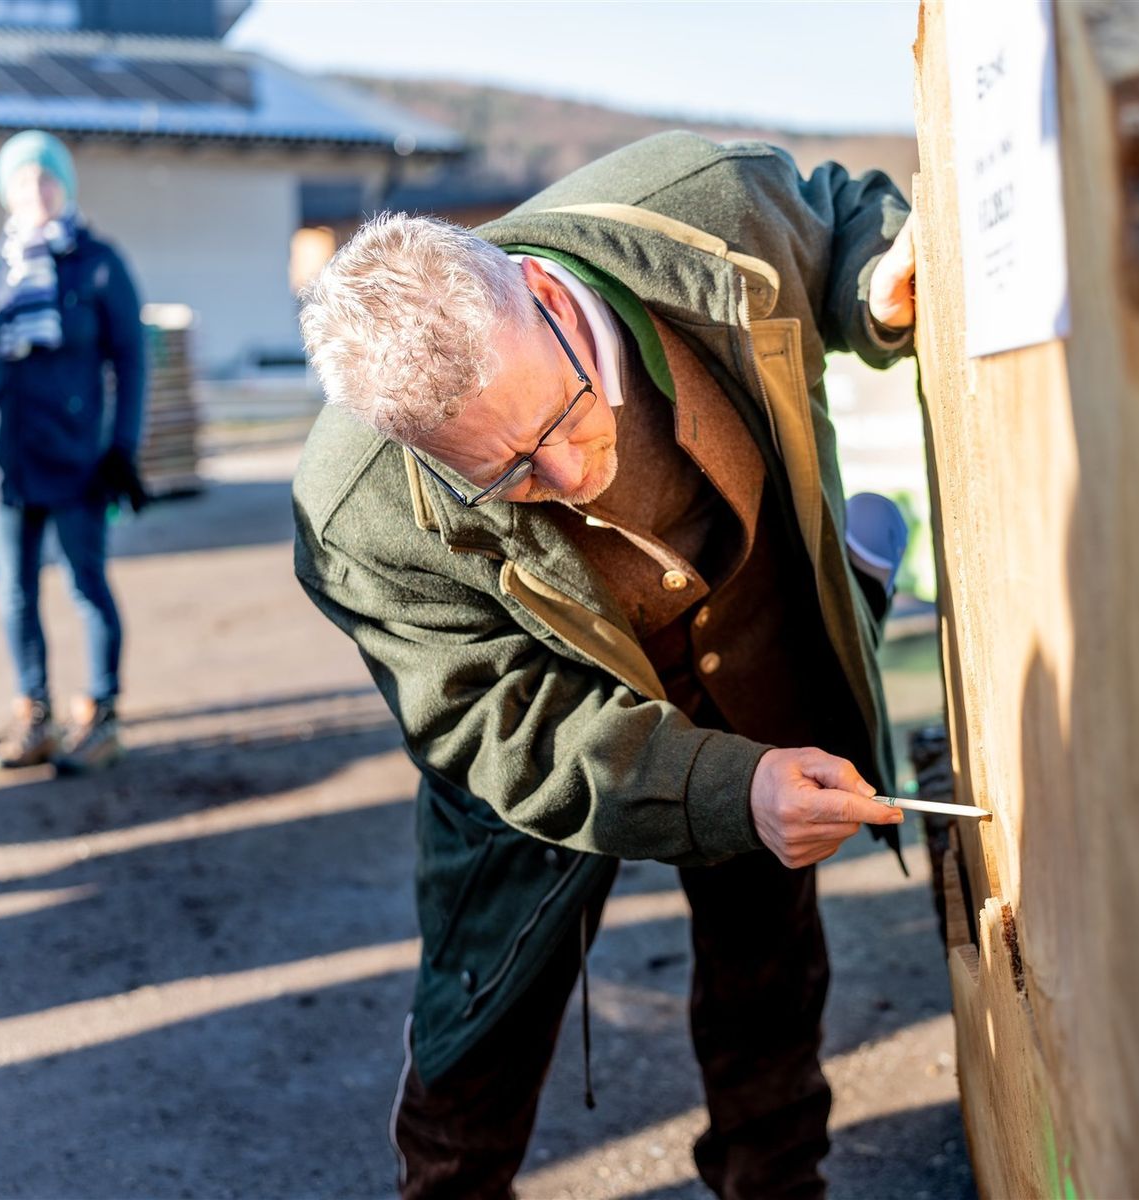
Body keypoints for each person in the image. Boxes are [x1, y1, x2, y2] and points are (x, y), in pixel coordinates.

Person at [292, 131, 920, 1199]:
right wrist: (722, 788)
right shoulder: (355, 517)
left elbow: (848, 219)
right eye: (509, 477)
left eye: (565, 412)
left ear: (543, 289)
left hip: (756, 663)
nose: (574, 474)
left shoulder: (704, 212)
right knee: (480, 1015)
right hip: (548, 750)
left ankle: (777, 1181)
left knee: (770, 976)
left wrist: (877, 283)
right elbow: (499, 725)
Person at [0, 130, 147, 773]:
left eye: (47, 178)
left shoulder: (100, 261)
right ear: (8, 192)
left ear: (66, 186)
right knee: (14, 595)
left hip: (77, 456)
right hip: (5, 456)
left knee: (86, 584)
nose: (37, 191)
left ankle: (103, 716)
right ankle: (35, 715)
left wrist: (123, 449)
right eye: (24, 181)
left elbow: (131, 361)